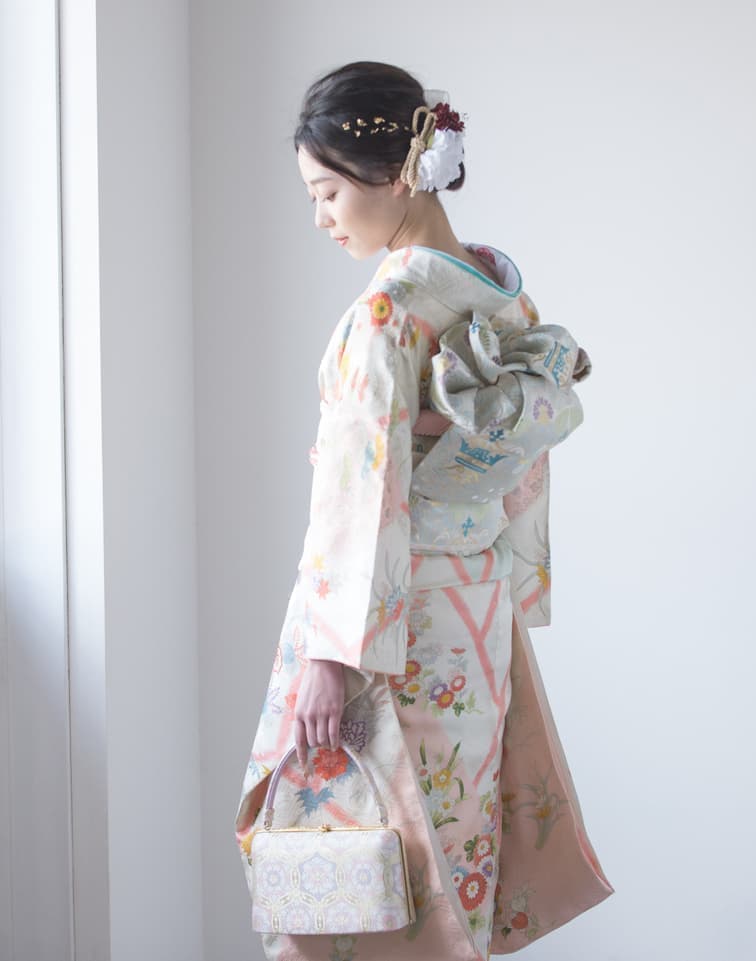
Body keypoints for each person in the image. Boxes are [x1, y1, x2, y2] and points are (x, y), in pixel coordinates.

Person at [234, 61, 613, 961]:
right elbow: (522, 462)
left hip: (387, 626)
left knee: (370, 867)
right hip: (475, 615)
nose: (321, 217)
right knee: (455, 852)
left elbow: (359, 488)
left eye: (327, 192)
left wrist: (330, 657)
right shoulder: (503, 294)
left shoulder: (388, 311)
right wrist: (510, 584)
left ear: (397, 173)